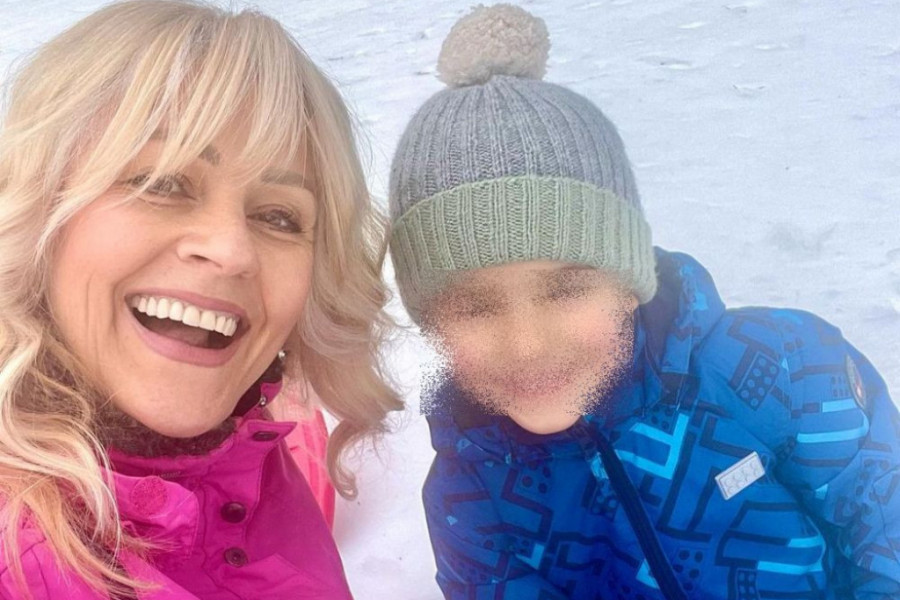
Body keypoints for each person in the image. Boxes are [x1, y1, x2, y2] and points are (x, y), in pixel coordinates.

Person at [388, 4, 900, 599]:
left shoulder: (781, 369)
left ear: (629, 281)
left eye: (567, 288)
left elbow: (881, 517)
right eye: (475, 306)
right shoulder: (469, 495)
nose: (526, 345)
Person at [0, 1, 402, 598]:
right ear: (39, 214)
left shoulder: (252, 461)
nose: (233, 251)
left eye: (279, 216)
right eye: (163, 182)